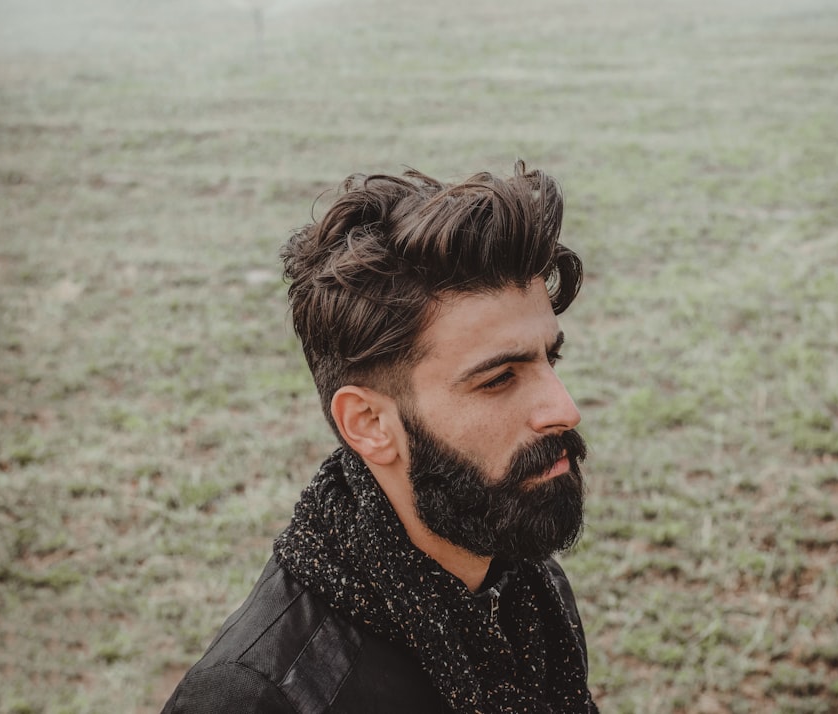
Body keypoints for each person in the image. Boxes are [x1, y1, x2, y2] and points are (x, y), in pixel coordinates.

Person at [161, 162, 599, 713]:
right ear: (369, 425)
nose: (565, 409)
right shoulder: (262, 696)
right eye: (499, 379)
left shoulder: (528, 591)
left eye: (548, 359)